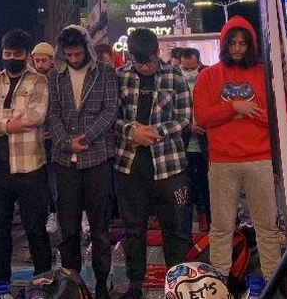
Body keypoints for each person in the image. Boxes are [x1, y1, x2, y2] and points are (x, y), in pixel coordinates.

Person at [193, 16, 280, 282]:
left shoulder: (264, 74)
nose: (239, 49)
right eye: (233, 43)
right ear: (224, 45)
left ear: (251, 44)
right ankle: (218, 283)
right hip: (222, 161)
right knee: (221, 227)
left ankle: (273, 280)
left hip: (260, 159)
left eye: (243, 43)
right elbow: (202, 117)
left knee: (267, 227)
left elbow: (280, 117)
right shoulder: (208, 76)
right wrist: (234, 108)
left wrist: (244, 112)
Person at [113, 29, 191, 299]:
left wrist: (154, 132)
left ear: (158, 52)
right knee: (134, 228)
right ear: (131, 56)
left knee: (175, 229)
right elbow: (112, 115)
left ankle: (177, 283)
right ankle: (135, 285)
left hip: (169, 164)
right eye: (140, 62)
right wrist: (131, 131)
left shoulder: (174, 76)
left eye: (150, 61)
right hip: (130, 164)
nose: (146, 67)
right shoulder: (120, 76)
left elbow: (183, 117)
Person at [0, 29, 52, 290]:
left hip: (29, 166)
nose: (11, 58)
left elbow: (35, 117)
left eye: (16, 54)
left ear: (26, 56)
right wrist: (8, 125)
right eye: (7, 54)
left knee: (36, 229)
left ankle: (42, 282)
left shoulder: (39, 81)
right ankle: (2, 285)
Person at [47, 25, 118, 299]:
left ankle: (102, 286)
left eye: (78, 54)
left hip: (97, 157)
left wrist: (86, 138)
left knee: (100, 228)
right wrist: (66, 142)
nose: (74, 59)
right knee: (68, 229)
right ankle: (71, 285)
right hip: (65, 162)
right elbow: (52, 114)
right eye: (69, 54)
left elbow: (110, 110)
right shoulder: (55, 76)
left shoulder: (105, 73)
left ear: (87, 50)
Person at [178, 48, 211, 235]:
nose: (189, 72)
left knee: (207, 189)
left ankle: (209, 227)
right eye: (185, 68)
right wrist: (188, 125)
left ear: (199, 64)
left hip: (205, 146)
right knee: (186, 191)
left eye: (192, 68)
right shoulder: (175, 81)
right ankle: (186, 233)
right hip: (184, 147)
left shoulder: (207, 78)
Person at [31, 41, 59, 233]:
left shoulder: (57, 80)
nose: (40, 64)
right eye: (37, 60)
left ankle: (55, 213)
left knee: (54, 182)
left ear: (51, 61)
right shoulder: (29, 80)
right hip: (34, 141)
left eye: (44, 60)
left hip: (54, 141)